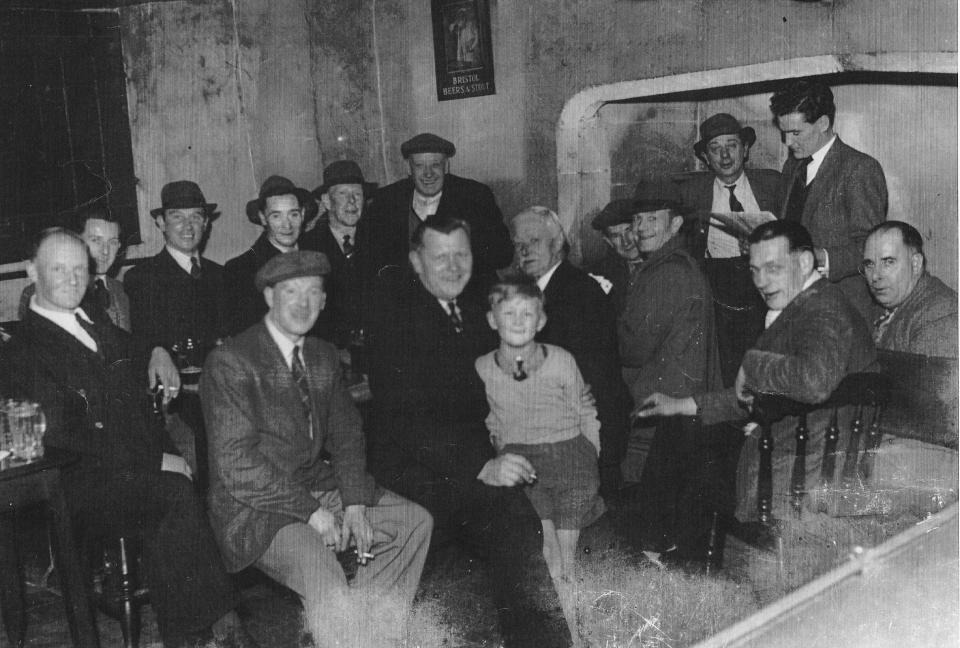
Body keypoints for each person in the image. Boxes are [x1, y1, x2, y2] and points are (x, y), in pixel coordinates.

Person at [1, 229, 254, 648]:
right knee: (172, 493)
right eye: (57, 269)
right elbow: (67, 436)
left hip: (124, 474)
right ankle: (221, 631)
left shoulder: (95, 325)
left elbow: (134, 357)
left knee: (178, 488)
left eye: (79, 268)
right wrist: (152, 460)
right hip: (80, 487)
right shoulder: (23, 349)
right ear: (32, 273)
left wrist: (156, 349)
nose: (70, 278)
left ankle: (195, 635)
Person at [201, 251, 432, 648]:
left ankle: (366, 636)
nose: (303, 303)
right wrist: (314, 513)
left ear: (325, 301)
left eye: (313, 292)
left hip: (314, 487)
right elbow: (236, 465)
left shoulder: (323, 355)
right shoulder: (231, 361)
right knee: (322, 571)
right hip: (255, 508)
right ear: (269, 296)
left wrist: (355, 503)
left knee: (413, 523)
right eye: (291, 292)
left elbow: (346, 435)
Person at [366, 214, 572, 647]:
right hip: (411, 462)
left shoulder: (475, 310)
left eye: (461, 254)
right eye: (440, 257)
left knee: (533, 502)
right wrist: (483, 465)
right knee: (510, 517)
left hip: (468, 449)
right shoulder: (394, 320)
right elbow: (408, 422)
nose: (453, 266)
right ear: (416, 262)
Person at [637, 220, 876, 521]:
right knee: (680, 426)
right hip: (788, 439)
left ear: (804, 262)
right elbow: (752, 394)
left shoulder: (823, 308)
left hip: (806, 461)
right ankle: (666, 551)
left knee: (691, 450)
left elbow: (814, 381)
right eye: (754, 270)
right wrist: (682, 404)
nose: (761, 281)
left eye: (773, 268)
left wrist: (752, 363)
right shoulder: (800, 303)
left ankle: (668, 553)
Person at [475, 277, 604, 634]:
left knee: (566, 562)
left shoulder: (562, 361)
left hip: (570, 463)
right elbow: (487, 420)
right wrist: (501, 453)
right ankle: (568, 635)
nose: (518, 321)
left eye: (527, 313)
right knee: (548, 558)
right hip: (525, 470)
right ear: (491, 319)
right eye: (509, 312)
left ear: (541, 320)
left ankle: (577, 634)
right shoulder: (482, 369)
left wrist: (591, 450)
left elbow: (585, 411)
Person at [616, 178, 723, 564]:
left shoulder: (666, 274)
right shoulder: (674, 266)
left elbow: (631, 345)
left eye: (652, 218)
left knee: (651, 526)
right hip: (677, 413)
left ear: (675, 224)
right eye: (638, 218)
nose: (641, 226)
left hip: (663, 418)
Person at [510, 206, 630, 498]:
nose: (524, 250)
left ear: (557, 243)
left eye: (534, 241)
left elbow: (586, 380)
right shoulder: (531, 292)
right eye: (519, 245)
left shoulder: (580, 293)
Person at [678, 113, 781, 387]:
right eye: (715, 149)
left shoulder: (773, 185)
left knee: (768, 365)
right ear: (706, 158)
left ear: (745, 150)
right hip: (718, 292)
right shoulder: (693, 194)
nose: (725, 156)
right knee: (726, 371)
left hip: (766, 287)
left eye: (732, 146)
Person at [770, 79, 888, 316]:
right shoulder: (791, 167)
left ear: (823, 123)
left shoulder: (859, 169)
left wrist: (823, 258)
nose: (788, 142)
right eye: (784, 133)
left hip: (842, 311)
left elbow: (872, 247)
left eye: (796, 132)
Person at [364, 133, 513, 294]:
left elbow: (503, 254)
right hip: (405, 302)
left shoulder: (475, 197)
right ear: (408, 168)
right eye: (420, 166)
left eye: (435, 164)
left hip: (464, 298)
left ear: (446, 166)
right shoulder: (387, 200)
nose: (428, 173)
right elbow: (372, 260)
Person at [124, 180, 230, 360]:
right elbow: (146, 342)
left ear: (205, 223)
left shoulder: (222, 275)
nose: (188, 226)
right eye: (177, 217)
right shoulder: (142, 277)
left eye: (195, 217)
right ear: (161, 223)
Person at [300, 160, 378, 353]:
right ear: (326, 201)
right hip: (330, 355)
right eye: (343, 194)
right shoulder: (307, 247)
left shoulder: (381, 240)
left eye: (357, 194)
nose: (352, 201)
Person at [225, 175, 317, 335]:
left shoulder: (318, 258)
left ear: (302, 214)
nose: (287, 225)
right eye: (276, 216)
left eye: (293, 214)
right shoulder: (240, 269)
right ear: (263, 218)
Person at [19, 204, 131, 331]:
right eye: (95, 240)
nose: (105, 251)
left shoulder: (122, 291)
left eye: (113, 242)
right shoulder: (38, 292)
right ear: (77, 242)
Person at [862, 221, 958, 357]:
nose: (875, 275)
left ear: (915, 264)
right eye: (869, 264)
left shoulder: (939, 316)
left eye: (888, 262)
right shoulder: (879, 304)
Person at [587, 198, 643, 315]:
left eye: (629, 230)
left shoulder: (665, 264)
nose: (626, 241)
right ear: (608, 241)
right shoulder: (599, 276)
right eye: (616, 235)